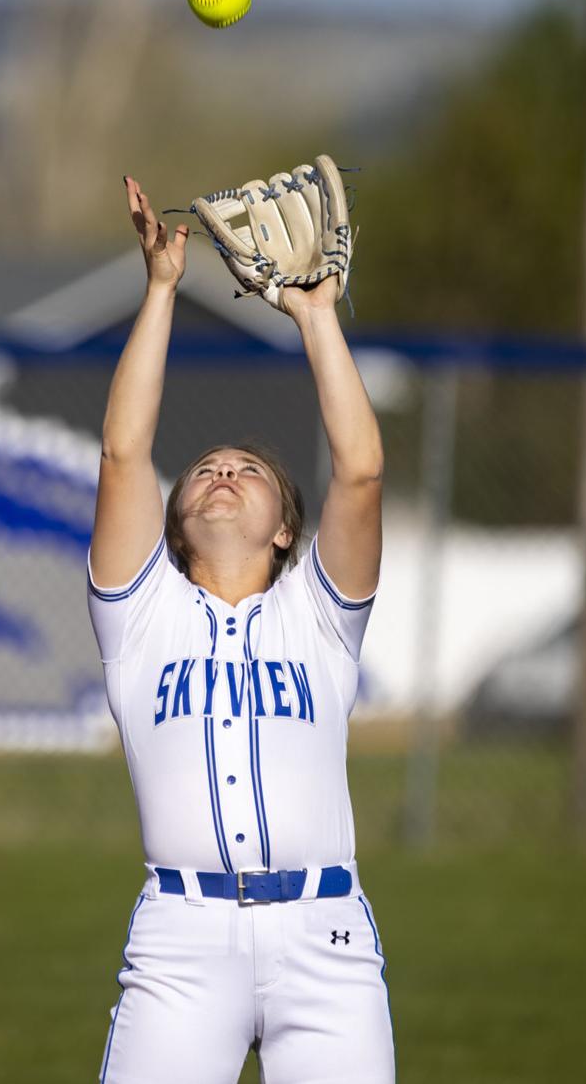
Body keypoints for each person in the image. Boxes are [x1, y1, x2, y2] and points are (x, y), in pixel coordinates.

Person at [86, 175, 394, 1084]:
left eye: (248, 471)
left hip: (325, 938)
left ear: (286, 527)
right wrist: (159, 292)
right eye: (208, 469)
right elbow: (123, 453)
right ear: (173, 523)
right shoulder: (140, 617)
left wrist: (315, 319)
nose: (222, 472)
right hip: (183, 941)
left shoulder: (319, 616)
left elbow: (363, 471)